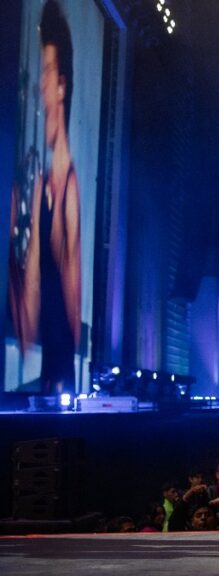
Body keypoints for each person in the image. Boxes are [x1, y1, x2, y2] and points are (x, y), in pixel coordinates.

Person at [8, 0, 82, 395]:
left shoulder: (66, 187)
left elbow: (56, 309)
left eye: (48, 71)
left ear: (61, 86)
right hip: (47, 375)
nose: (40, 84)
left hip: (55, 380)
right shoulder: (46, 182)